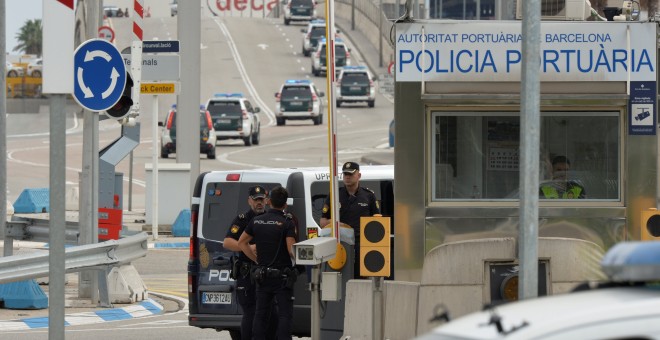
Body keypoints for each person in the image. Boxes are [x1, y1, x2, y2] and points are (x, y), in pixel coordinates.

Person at [238, 186, 297, 340]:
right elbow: (291, 250)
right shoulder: (287, 222)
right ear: (285, 205)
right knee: (284, 315)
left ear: (269, 201)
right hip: (282, 277)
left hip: (262, 275)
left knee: (260, 314)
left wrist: (255, 259)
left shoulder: (256, 221)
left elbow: (242, 243)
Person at [223, 185, 277, 340]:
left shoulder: (271, 218)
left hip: (266, 273)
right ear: (249, 201)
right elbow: (227, 242)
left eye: (262, 199)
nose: (259, 203)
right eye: (256, 200)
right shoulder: (243, 220)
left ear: (267, 200)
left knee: (272, 314)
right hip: (247, 275)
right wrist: (248, 246)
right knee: (251, 313)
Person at [319, 161, 380, 279]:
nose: (347, 177)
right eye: (345, 174)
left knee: (360, 279)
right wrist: (337, 224)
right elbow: (322, 222)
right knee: (339, 279)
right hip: (340, 245)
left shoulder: (368, 196)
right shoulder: (335, 195)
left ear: (359, 176)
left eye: (351, 174)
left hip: (361, 245)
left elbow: (377, 223)